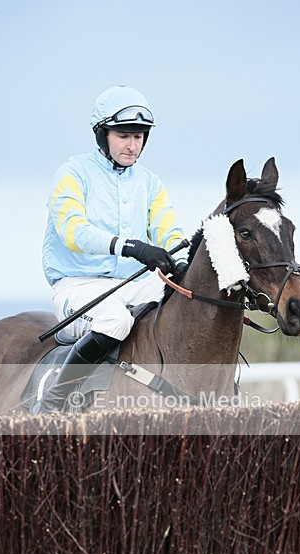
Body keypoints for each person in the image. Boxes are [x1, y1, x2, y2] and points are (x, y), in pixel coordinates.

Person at [34, 85, 186, 413]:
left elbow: (169, 229)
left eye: (139, 137)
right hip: (78, 287)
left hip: (134, 285)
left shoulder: (149, 182)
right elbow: (73, 231)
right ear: (102, 135)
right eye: (124, 136)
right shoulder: (72, 174)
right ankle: (52, 405)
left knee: (187, 306)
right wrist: (128, 247)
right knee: (116, 320)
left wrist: (183, 261)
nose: (133, 146)